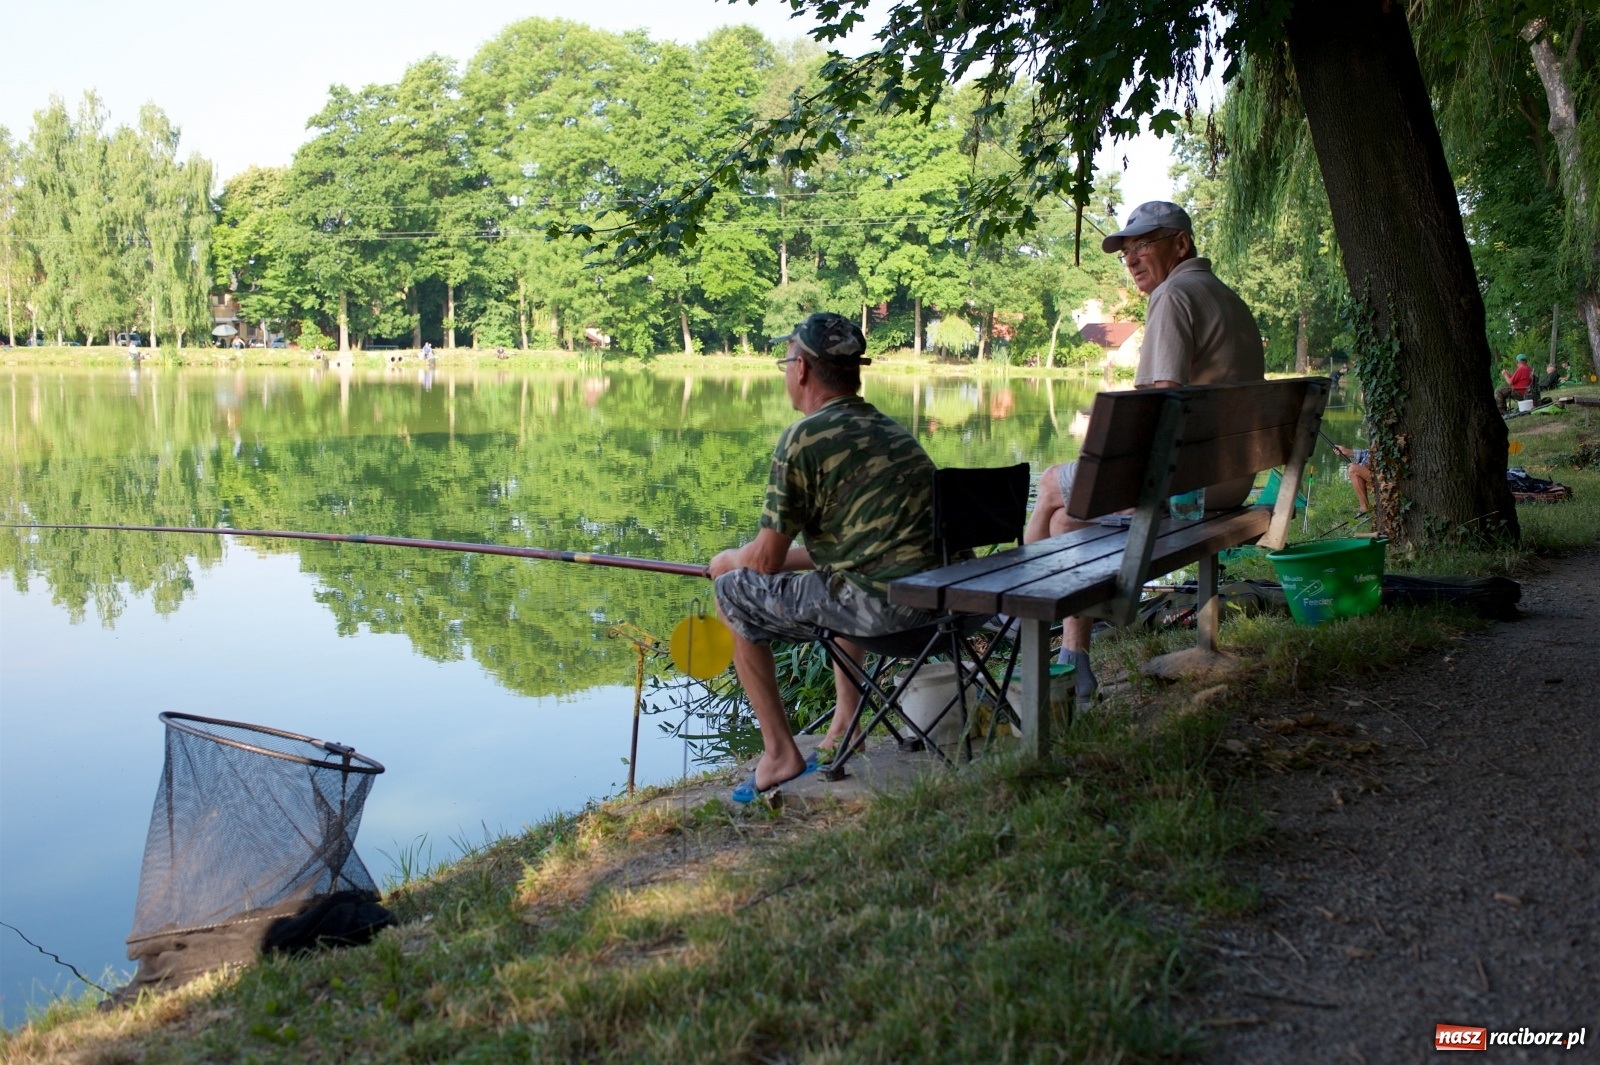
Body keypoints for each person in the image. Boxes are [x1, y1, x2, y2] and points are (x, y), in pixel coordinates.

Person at [1023, 201, 1265, 698]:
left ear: (1181, 244)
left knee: (1050, 484)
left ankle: (1017, 606)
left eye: (1143, 246)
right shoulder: (1229, 298)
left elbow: (1159, 405)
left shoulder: (1173, 295)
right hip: (1228, 481)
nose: (1132, 260)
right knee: (1068, 522)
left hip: (1184, 487)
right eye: (1126, 252)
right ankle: (1074, 659)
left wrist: (1117, 475)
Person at [710, 312, 942, 802]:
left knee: (731, 592)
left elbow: (765, 561)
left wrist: (730, 560)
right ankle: (847, 724)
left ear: (801, 369)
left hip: (886, 615)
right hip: (944, 610)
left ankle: (779, 753)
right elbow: (851, 551)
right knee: (839, 579)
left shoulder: (804, 439)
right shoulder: (892, 431)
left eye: (786, 362)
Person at [1333, 444, 1374, 517]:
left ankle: (1364, 509)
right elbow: (1368, 454)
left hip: (1385, 480)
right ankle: (1364, 509)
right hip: (1376, 475)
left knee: (1353, 469)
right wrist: (1346, 451)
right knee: (1354, 469)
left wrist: (1357, 466)